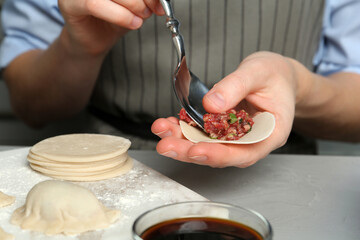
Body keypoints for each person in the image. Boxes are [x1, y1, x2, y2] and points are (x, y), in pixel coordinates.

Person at [1, 0, 360, 168]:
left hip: (289, 173)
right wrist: (79, 45)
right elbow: (33, 106)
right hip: (109, 164)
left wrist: (296, 84)